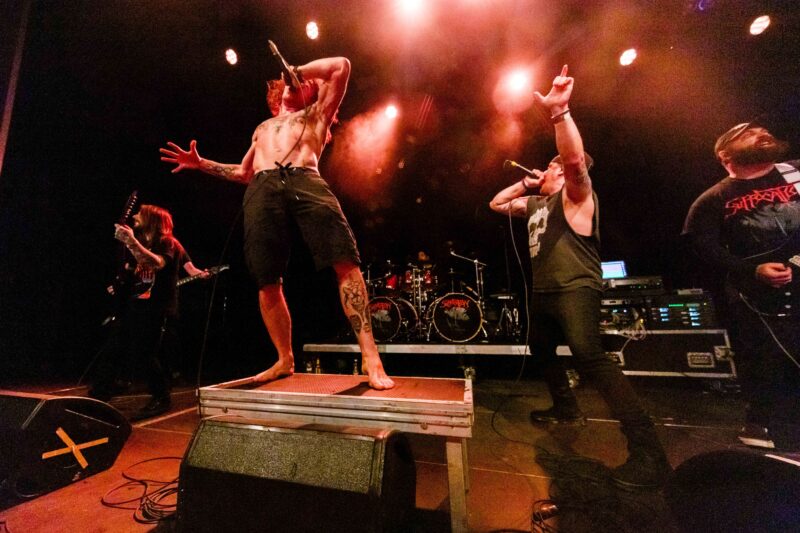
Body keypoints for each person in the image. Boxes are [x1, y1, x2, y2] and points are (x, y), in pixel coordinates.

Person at [159, 55, 394, 389]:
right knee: (266, 278)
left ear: (312, 92)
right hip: (262, 186)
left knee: (344, 259)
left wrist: (298, 72)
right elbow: (243, 173)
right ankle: (284, 359)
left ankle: (371, 356)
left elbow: (341, 65)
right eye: (291, 81)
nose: (295, 84)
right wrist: (202, 164)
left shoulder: (317, 113)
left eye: (306, 84)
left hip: (305, 177)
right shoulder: (262, 128)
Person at [489, 65, 671, 489]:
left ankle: (649, 452)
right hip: (544, 291)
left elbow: (573, 161)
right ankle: (567, 408)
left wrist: (559, 113)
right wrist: (526, 184)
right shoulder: (536, 206)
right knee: (541, 347)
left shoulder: (576, 196)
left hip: (576, 287)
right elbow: (496, 204)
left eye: (551, 168)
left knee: (590, 356)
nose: (547, 170)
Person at [683, 122, 800, 449]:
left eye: (761, 129)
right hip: (765, 300)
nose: (761, 132)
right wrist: (752, 270)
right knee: (776, 368)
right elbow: (705, 250)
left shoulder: (794, 171)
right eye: (747, 133)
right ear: (725, 155)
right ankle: (779, 439)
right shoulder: (712, 200)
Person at [91, 204, 198, 420]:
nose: (134, 215)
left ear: (152, 219)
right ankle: (102, 391)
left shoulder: (167, 242)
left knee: (145, 353)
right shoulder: (143, 241)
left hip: (157, 307)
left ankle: (161, 397)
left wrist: (131, 241)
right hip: (135, 304)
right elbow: (134, 269)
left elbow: (159, 263)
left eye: (140, 213)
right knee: (115, 346)